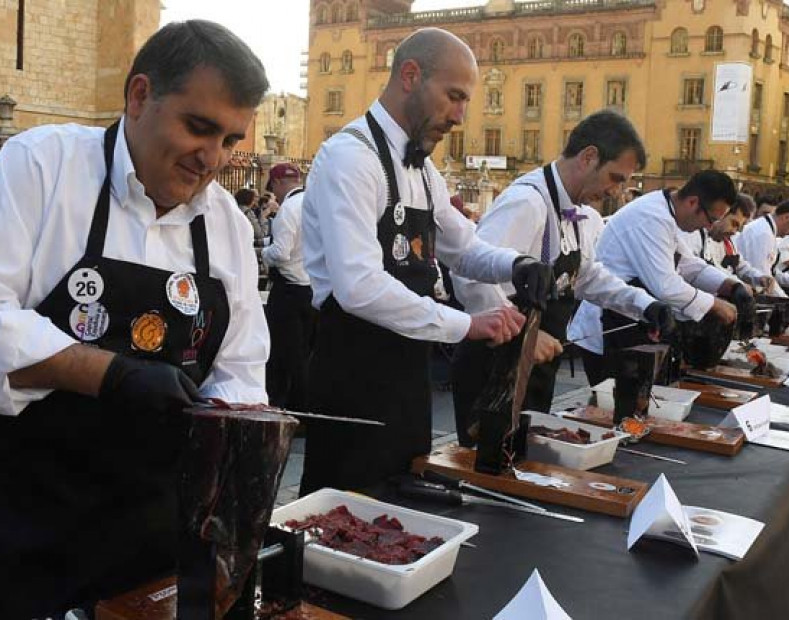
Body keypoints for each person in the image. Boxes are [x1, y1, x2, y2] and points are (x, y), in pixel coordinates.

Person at [0, 21, 270, 618]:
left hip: (147, 525)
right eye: (199, 127)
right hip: (15, 513)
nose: (212, 159)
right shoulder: (43, 165)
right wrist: (113, 375)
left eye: (231, 141)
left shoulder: (229, 228)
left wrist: (235, 426)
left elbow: (240, 371)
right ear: (139, 96)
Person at [299, 28, 554, 494]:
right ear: (411, 76)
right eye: (454, 97)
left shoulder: (423, 169)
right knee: (342, 514)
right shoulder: (350, 157)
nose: (459, 116)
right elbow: (358, 286)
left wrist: (516, 265)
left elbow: (465, 248)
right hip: (353, 367)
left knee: (399, 499)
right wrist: (467, 324)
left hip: (406, 369)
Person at [450, 111, 673, 428]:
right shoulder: (527, 201)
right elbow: (469, 272)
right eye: (615, 178)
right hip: (494, 371)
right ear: (589, 157)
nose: (616, 191)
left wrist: (644, 304)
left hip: (535, 371)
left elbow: (586, 277)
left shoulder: (575, 210)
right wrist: (522, 335)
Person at [568, 170, 742, 385]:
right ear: (692, 202)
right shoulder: (651, 217)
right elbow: (666, 286)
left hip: (637, 321)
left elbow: (687, 264)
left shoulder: (670, 214)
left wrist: (731, 286)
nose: (709, 227)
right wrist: (715, 305)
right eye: (711, 219)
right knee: (615, 404)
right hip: (611, 325)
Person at [261, 163, 313, 409]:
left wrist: (263, 253)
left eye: (273, 187)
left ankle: (283, 406)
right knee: (305, 353)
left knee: (282, 353)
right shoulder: (317, 204)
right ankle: (304, 408)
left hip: (289, 290)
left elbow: (281, 253)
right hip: (313, 288)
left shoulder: (289, 209)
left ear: (278, 183)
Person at [685, 193, 773, 290]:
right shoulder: (693, 235)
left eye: (739, 228)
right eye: (734, 224)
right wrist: (737, 284)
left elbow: (740, 266)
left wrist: (759, 277)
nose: (734, 232)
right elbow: (698, 271)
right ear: (722, 214)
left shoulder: (728, 243)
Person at [736, 198, 789, 296]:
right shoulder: (763, 234)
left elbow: (772, 271)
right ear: (787, 217)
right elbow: (764, 280)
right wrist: (787, 300)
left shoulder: (768, 230)